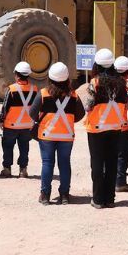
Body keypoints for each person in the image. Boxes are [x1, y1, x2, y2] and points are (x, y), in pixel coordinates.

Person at [29, 62, 85, 205]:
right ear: (67, 79)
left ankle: (45, 195)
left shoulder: (43, 93)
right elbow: (80, 114)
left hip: (47, 135)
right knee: (64, 164)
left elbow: (32, 114)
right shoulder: (73, 96)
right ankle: (65, 195)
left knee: (47, 163)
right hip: (66, 135)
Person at [83, 48, 128, 209]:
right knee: (111, 163)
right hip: (115, 127)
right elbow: (126, 105)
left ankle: (97, 199)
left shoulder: (94, 83)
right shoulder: (122, 83)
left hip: (96, 129)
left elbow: (87, 107)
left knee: (97, 164)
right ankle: (110, 198)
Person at [0, 61, 38, 178]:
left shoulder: (12, 89)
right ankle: (23, 170)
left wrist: (2, 120)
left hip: (11, 125)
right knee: (24, 148)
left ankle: (7, 169)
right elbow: (36, 108)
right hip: (27, 125)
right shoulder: (34, 89)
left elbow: (5, 107)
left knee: (8, 147)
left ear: (16, 74)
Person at [114, 55, 128, 193]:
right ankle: (120, 181)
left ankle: (112, 180)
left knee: (112, 154)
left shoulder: (109, 83)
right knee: (123, 155)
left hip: (111, 125)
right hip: (126, 125)